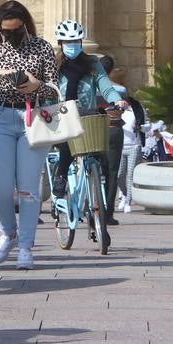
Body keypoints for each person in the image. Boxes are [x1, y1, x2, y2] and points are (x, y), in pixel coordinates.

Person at [0, 0, 59, 270]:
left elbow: (55, 87)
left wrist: (37, 85)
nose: (11, 36)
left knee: (28, 188)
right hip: (2, 118)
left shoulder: (41, 47)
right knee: (0, 187)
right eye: (6, 31)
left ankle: (26, 247)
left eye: (17, 30)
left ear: (25, 26)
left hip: (34, 118)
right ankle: (9, 232)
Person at [48, 20, 122, 203]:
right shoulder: (53, 65)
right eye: (67, 42)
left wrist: (116, 99)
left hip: (87, 115)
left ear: (81, 42)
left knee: (100, 157)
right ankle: (61, 176)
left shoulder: (92, 63)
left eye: (75, 42)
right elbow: (47, 90)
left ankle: (100, 204)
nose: (72, 46)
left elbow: (105, 86)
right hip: (62, 115)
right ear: (60, 43)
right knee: (66, 146)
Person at [100, 53, 131, 226]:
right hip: (113, 130)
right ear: (111, 71)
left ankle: (93, 207)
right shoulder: (120, 90)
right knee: (112, 173)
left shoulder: (89, 88)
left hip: (93, 131)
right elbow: (123, 110)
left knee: (92, 168)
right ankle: (108, 212)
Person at [117, 96, 147, 214]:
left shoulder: (138, 110)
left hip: (134, 146)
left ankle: (128, 201)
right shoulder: (117, 110)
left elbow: (149, 127)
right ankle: (124, 195)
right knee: (119, 174)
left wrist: (140, 127)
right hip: (120, 146)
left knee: (130, 175)